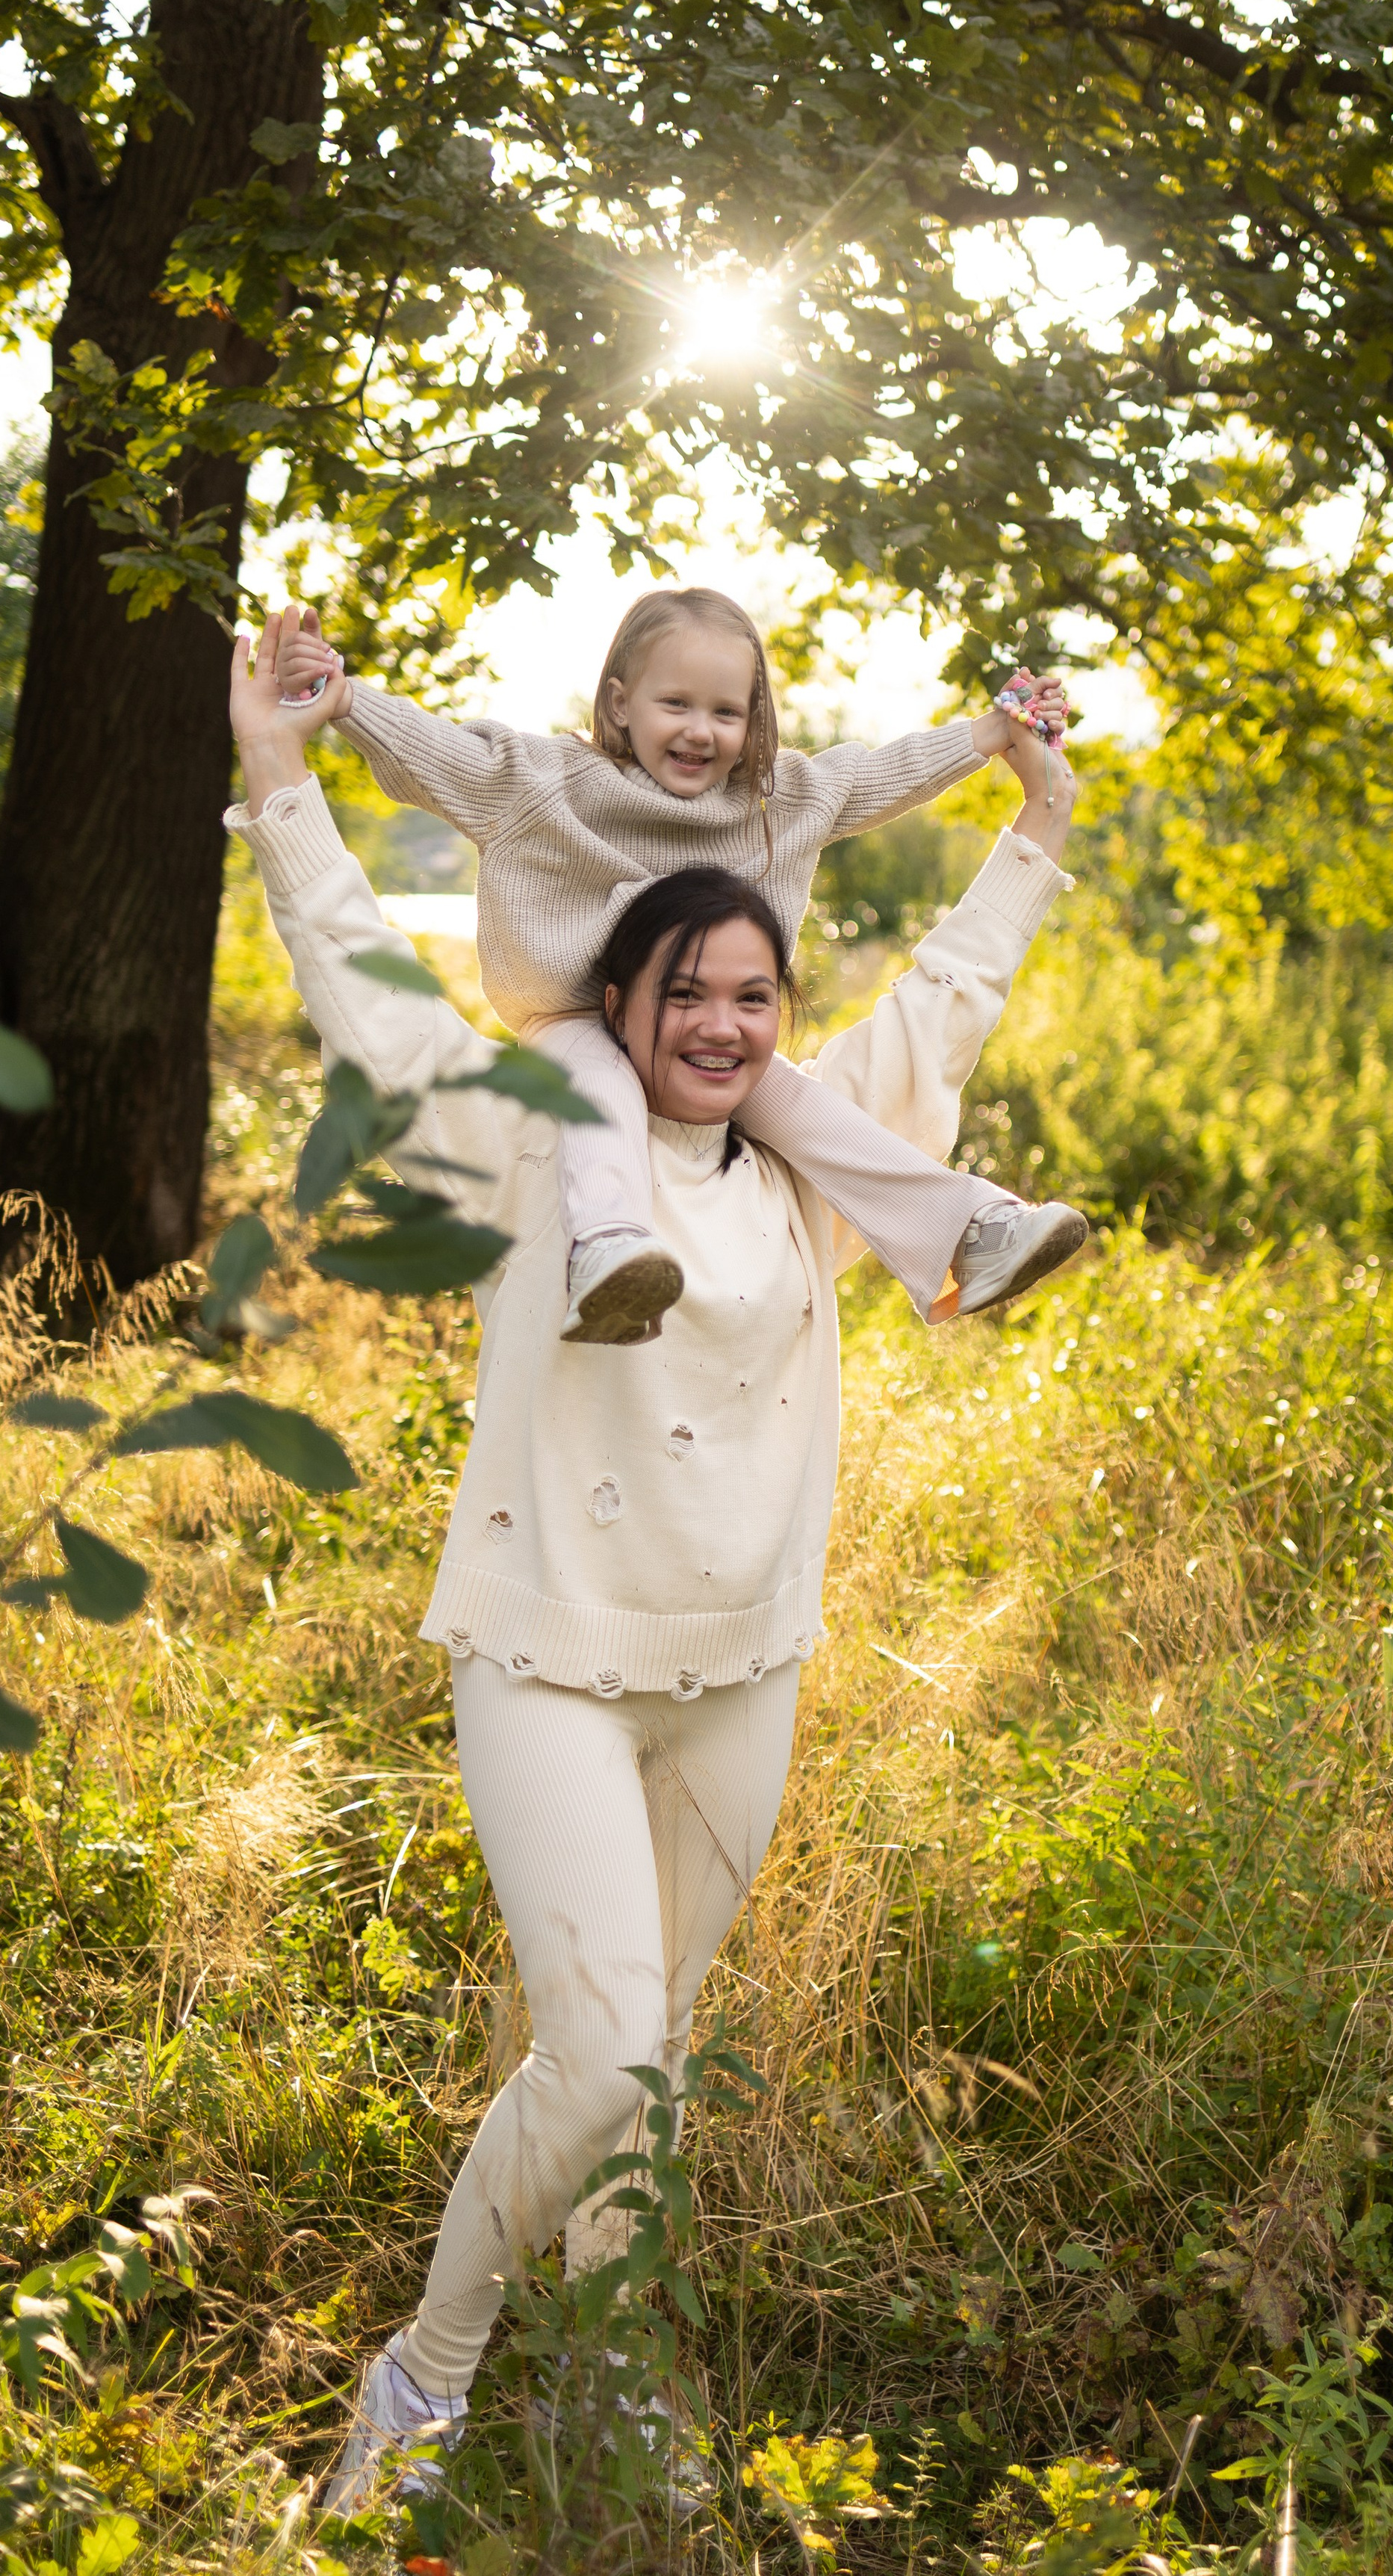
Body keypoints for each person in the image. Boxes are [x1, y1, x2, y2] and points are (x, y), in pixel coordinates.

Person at [225, 606, 1082, 2513]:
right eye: (680, 990)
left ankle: (613, 2387)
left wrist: (1029, 825)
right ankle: (421, 2381)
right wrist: (282, 776)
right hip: (545, 1652)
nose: (717, 1022)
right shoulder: (533, 1135)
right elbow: (369, 985)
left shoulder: (811, 1159)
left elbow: (938, 1005)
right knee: (602, 2054)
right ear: (616, 1003)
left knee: (648, 2062)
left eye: (751, 996)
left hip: (736, 1671)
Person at [268, 586, 1086, 1340]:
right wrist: (342, 698)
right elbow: (439, 754)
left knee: (811, 1112)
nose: (701, 730)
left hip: (707, 1031)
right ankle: (608, 1250)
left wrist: (986, 734)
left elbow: (875, 773)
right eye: (676, 704)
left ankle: (965, 1231)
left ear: (753, 717)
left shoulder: (774, 804)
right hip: (578, 1018)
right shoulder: (546, 786)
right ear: (620, 704)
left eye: (726, 711)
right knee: (595, 1089)